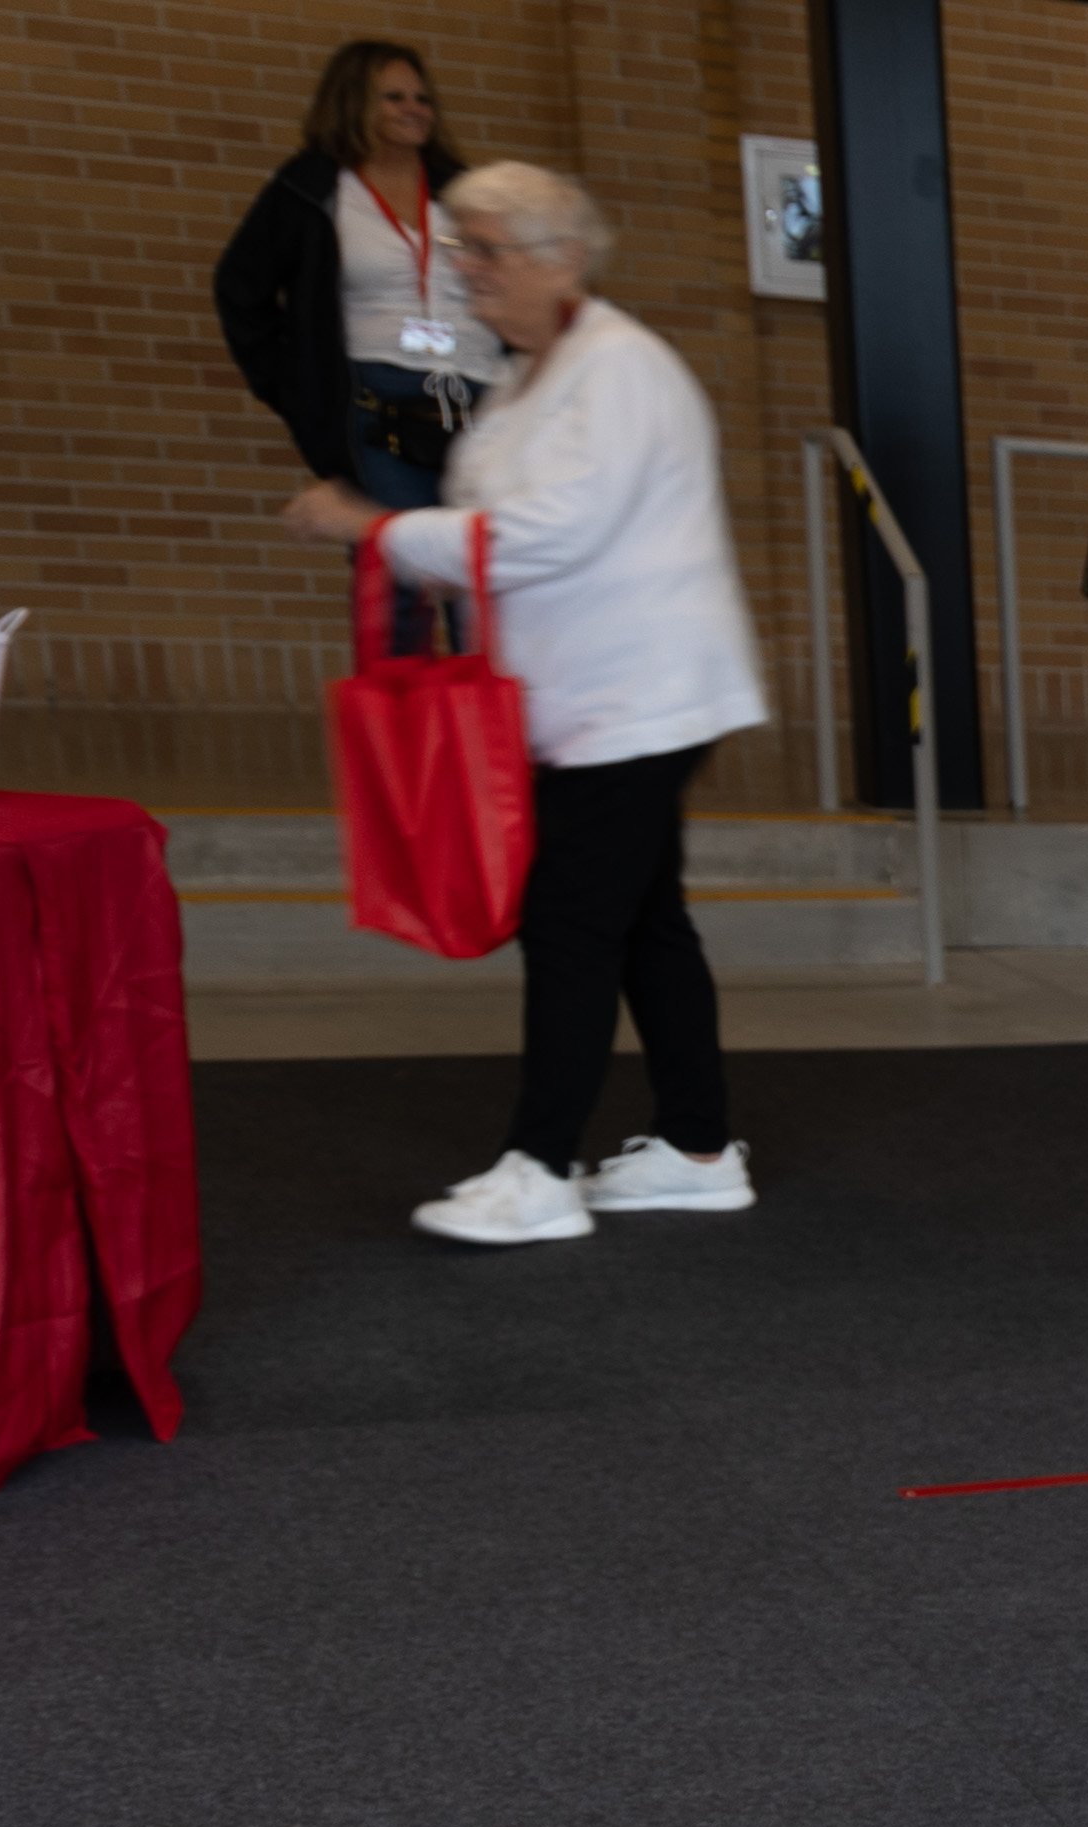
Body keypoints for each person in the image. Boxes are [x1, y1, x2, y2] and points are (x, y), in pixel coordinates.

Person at [273, 164, 768, 1250]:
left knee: (573, 922)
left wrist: (373, 528)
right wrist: (414, 548)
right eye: (463, 250)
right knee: (642, 921)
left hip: (637, 697)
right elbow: (493, 533)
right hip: (591, 697)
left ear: (565, 259)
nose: (468, 271)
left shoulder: (619, 369)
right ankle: (697, 1150)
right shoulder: (533, 372)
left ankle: (541, 1168)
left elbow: (549, 535)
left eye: (488, 250)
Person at [216, 39, 494, 651]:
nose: (413, 108)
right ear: (353, 103)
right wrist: (295, 390)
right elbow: (241, 288)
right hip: (379, 406)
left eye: (422, 97)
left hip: (477, 400)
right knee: (400, 575)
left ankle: (488, 732)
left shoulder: (462, 188)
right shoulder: (312, 187)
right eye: (393, 96)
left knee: (481, 579)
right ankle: (408, 738)